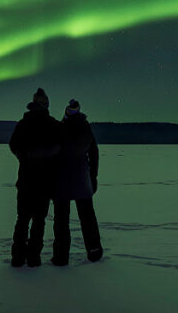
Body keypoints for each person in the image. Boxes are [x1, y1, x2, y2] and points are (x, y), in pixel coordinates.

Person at [8, 87, 60, 267]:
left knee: (23, 218)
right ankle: (33, 257)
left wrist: (24, 156)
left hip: (26, 180)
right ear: (45, 104)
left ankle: (18, 257)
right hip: (44, 182)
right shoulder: (53, 124)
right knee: (38, 220)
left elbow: (13, 145)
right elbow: (59, 147)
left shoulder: (24, 123)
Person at [51, 99, 103, 265]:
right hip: (82, 179)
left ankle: (61, 256)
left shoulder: (60, 128)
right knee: (87, 217)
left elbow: (53, 154)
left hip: (62, 181)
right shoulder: (85, 128)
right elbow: (94, 154)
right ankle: (94, 250)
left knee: (61, 220)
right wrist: (93, 177)